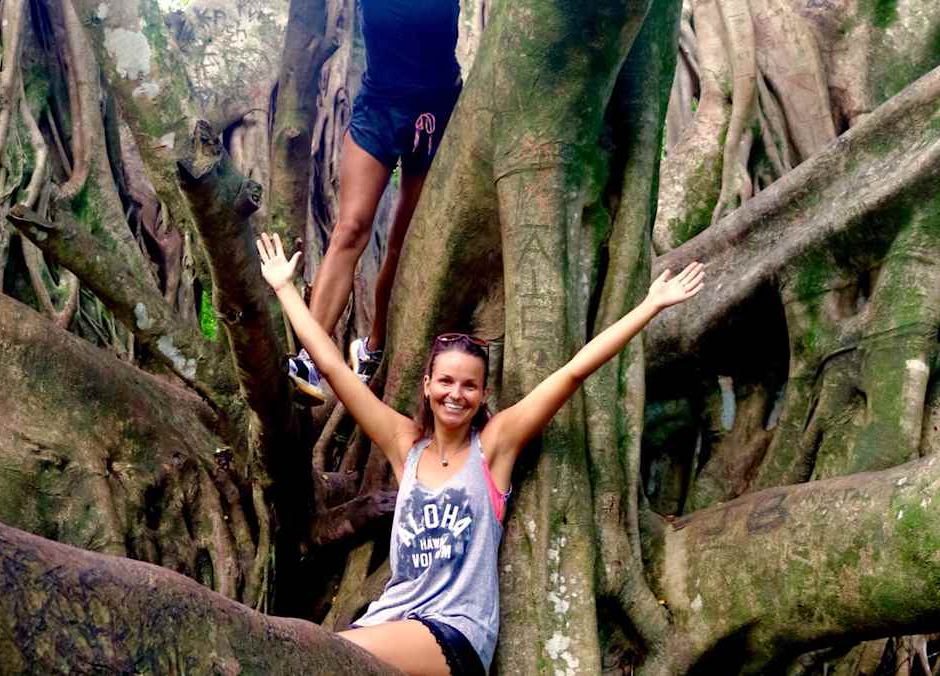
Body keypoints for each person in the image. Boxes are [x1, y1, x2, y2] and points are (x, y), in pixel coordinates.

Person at [256, 233, 704, 675]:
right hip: (386, 620)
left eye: (469, 385)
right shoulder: (404, 446)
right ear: (427, 385)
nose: (456, 394)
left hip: (455, 633)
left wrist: (650, 306)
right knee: (317, 653)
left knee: (321, 654)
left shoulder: (493, 448)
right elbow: (333, 367)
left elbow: (571, 373)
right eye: (446, 382)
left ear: (483, 392)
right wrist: (283, 288)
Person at [286, 0, 466, 405]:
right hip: (380, 108)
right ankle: (312, 357)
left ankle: (374, 345)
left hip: (437, 112)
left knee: (406, 241)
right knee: (351, 228)